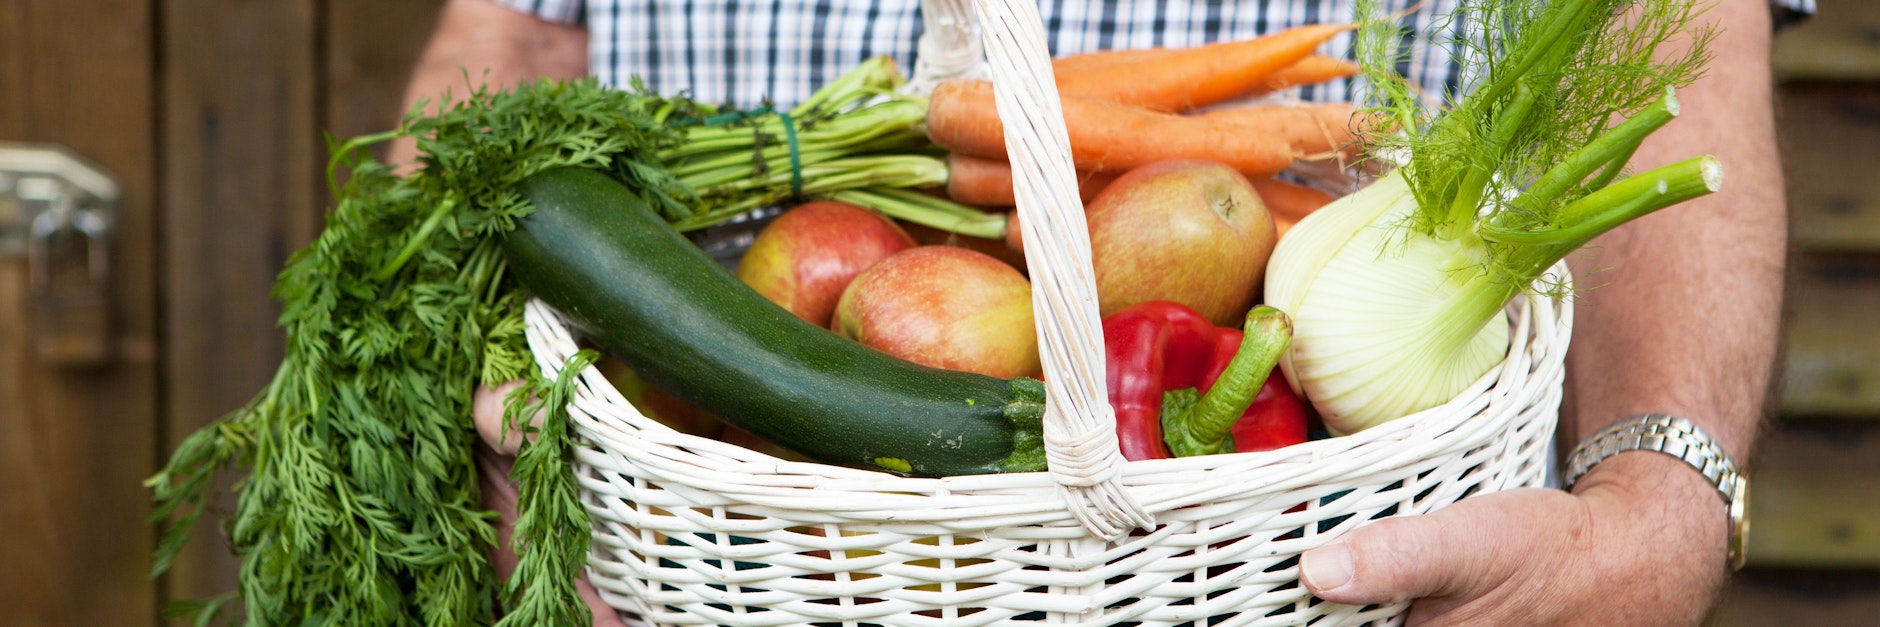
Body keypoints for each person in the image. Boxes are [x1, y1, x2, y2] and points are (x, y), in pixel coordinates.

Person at [394, 0, 1813, 624]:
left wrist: (1660, 512)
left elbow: (1667, 42)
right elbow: (511, 48)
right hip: (722, 549)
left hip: (1346, 551)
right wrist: (506, 432)